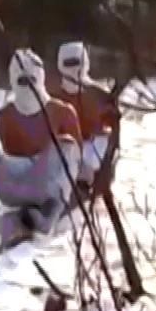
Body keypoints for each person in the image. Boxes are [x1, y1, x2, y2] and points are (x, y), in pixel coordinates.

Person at [0, 49, 83, 237]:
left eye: (31, 80)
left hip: (49, 186)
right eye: (22, 81)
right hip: (16, 184)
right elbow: (11, 156)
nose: (27, 86)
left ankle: (48, 216)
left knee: (66, 145)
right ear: (13, 80)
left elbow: (76, 162)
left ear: (40, 78)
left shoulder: (63, 112)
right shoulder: (4, 115)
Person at [56, 41, 120, 195]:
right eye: (68, 63)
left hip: (94, 148)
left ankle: (86, 180)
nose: (73, 69)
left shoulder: (99, 94)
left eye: (76, 62)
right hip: (68, 149)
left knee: (101, 142)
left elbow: (114, 133)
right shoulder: (53, 96)